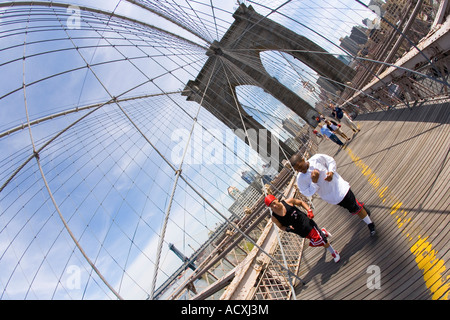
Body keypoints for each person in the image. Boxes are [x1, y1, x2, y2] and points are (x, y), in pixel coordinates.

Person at [289, 153, 376, 236]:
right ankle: (362, 208)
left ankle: (370, 224)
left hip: (340, 187)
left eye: (300, 167)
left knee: (355, 208)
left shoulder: (316, 159)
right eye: (297, 170)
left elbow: (330, 161)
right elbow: (306, 192)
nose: (300, 170)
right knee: (351, 207)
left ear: (304, 160)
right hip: (331, 197)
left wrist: (331, 172)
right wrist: (314, 182)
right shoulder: (300, 179)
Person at [265, 194, 340, 262]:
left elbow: (300, 202)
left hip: (307, 222)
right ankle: (323, 232)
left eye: (274, 203)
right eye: (271, 206)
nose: (274, 206)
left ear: (276, 199)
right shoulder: (274, 218)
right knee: (317, 240)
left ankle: (334, 252)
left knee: (319, 239)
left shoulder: (288, 202)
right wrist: (287, 229)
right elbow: (281, 226)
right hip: (299, 230)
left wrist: (309, 210)